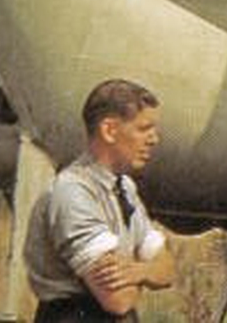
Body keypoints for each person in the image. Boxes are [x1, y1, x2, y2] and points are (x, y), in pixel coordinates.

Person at [25, 79, 175, 322]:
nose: (154, 139)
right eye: (143, 129)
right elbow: (118, 300)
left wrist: (138, 271)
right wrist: (148, 273)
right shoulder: (72, 193)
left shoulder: (124, 188)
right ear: (109, 130)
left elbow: (168, 269)